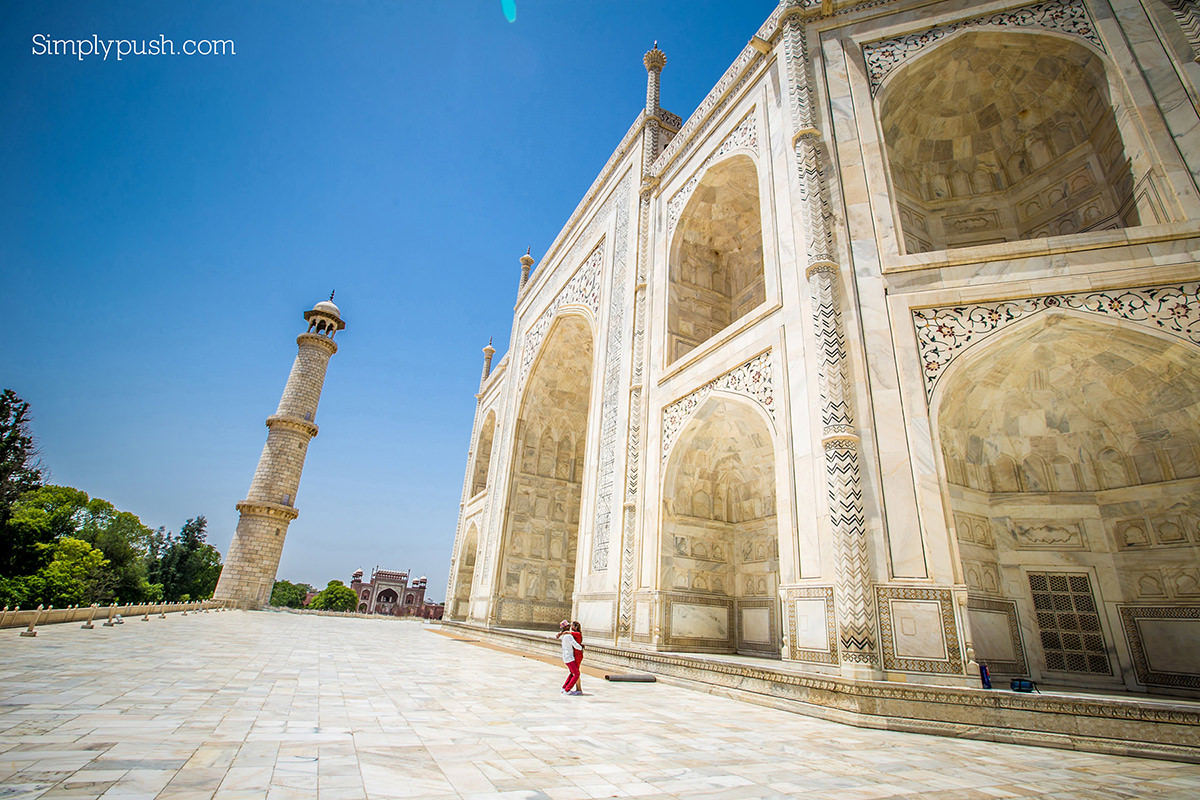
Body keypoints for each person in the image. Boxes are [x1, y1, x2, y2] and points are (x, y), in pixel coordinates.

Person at [557, 619, 582, 694]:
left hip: (566, 657)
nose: (569, 626)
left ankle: (564, 687)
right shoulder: (568, 636)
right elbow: (575, 644)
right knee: (576, 674)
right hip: (570, 658)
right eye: (568, 625)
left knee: (572, 672)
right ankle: (567, 690)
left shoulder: (565, 636)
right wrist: (580, 648)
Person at [570, 620, 584, 695]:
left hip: (578, 655)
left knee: (576, 672)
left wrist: (561, 633)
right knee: (575, 672)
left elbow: (568, 633)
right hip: (575, 654)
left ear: (576, 627)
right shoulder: (575, 634)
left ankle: (579, 689)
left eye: (572, 626)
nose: (571, 627)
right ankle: (578, 688)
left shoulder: (577, 634)